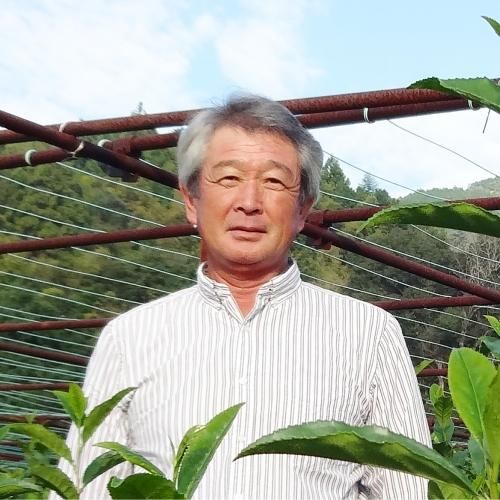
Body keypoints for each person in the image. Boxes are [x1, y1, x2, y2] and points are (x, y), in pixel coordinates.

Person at [60, 94, 431, 499]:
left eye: (274, 181)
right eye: (229, 178)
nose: (249, 203)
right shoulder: (128, 338)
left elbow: (408, 489)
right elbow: (85, 488)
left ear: (303, 209)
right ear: (191, 200)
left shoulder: (369, 333)